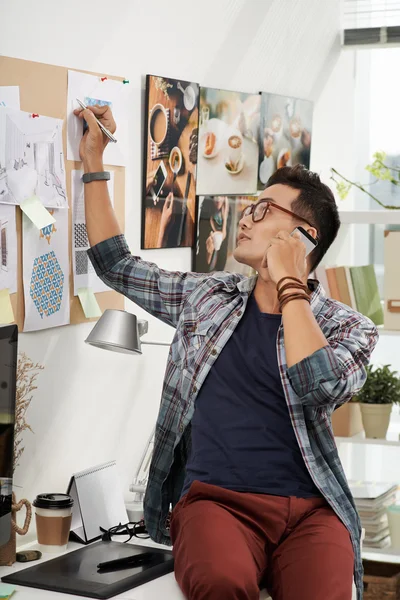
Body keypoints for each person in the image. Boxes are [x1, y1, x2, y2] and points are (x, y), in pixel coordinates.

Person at [74, 104, 378, 600]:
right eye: (249, 205)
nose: (244, 217)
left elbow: (318, 386)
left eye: (262, 210)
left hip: (311, 511)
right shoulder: (206, 298)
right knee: (221, 583)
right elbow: (116, 265)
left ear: (304, 236)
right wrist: (93, 159)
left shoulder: (350, 328)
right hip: (217, 504)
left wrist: (290, 286)